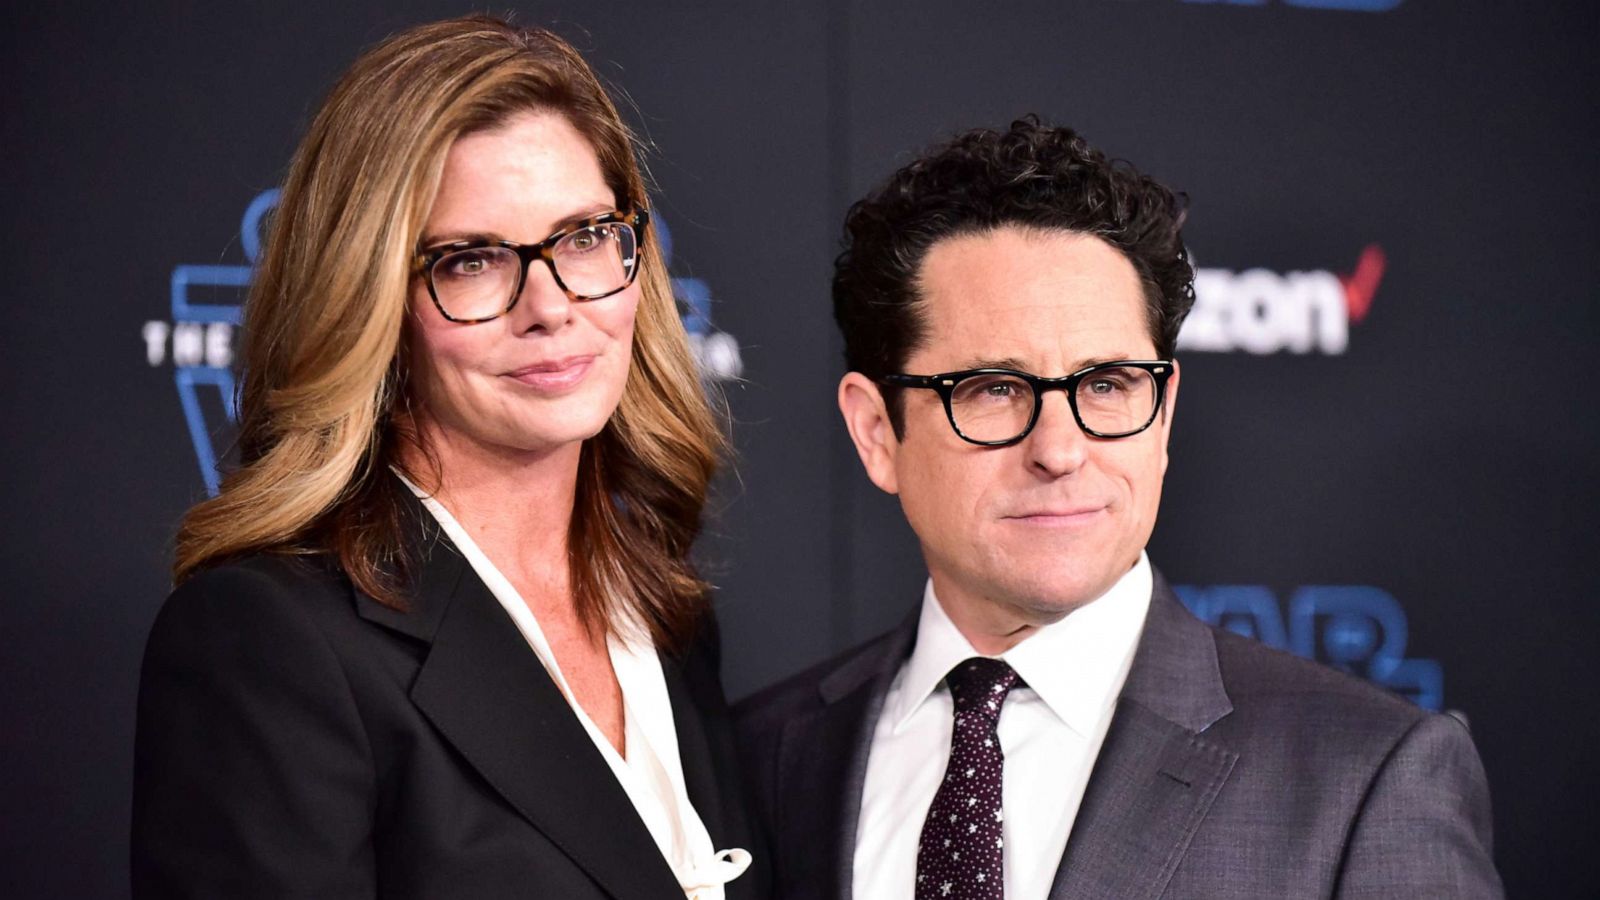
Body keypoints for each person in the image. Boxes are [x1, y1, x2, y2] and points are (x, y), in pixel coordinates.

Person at [735, 118, 1502, 899]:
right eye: (996, 390)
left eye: (1106, 385)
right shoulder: (757, 758)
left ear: (1162, 414)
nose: (1060, 450)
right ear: (876, 432)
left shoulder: (1366, 778)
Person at [132, 16, 761, 900]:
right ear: (370, 305)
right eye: (471, 261)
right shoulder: (273, 644)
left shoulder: (662, 616)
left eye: (583, 237)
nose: (549, 305)